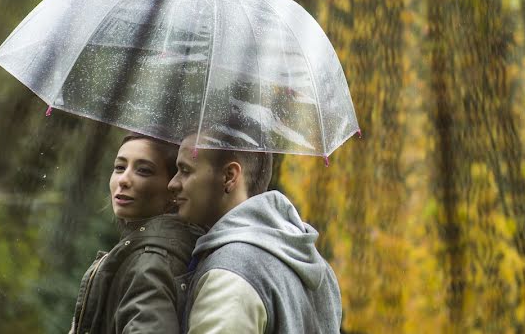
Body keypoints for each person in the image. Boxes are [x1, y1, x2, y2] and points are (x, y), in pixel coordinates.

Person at [168, 134, 342, 333]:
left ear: (229, 176)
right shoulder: (314, 265)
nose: (172, 184)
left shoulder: (229, 275)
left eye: (185, 171)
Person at [69, 134, 203, 334]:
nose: (123, 180)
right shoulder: (152, 252)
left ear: (173, 186)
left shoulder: (151, 263)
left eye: (143, 171)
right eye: (119, 167)